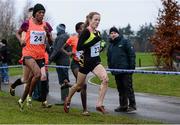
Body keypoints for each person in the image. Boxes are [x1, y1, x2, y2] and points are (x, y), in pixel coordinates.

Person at [64, 12, 109, 114]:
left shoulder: (98, 32)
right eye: (95, 20)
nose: (97, 22)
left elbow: (96, 47)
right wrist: (94, 41)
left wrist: (101, 46)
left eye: (99, 20)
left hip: (95, 61)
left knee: (105, 79)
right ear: (90, 20)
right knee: (78, 85)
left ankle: (99, 104)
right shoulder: (86, 32)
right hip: (85, 62)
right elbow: (79, 47)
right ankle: (68, 98)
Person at [16, 3, 53, 111]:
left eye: (43, 13)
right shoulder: (27, 23)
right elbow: (17, 33)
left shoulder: (46, 25)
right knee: (38, 74)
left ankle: (22, 100)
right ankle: (30, 97)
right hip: (28, 54)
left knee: (31, 78)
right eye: (39, 13)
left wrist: (49, 34)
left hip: (40, 56)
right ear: (35, 14)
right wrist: (21, 40)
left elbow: (51, 43)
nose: (41, 15)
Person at [61, 22, 89, 116]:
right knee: (83, 85)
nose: (84, 29)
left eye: (84, 28)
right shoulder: (73, 38)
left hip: (84, 64)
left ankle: (67, 85)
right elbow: (62, 48)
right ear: (77, 30)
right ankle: (85, 110)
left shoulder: (88, 38)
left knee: (79, 87)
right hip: (75, 64)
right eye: (82, 28)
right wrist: (69, 53)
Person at [107, 26, 136, 112]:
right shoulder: (111, 45)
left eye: (114, 33)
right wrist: (111, 68)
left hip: (126, 70)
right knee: (120, 89)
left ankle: (132, 105)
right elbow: (109, 58)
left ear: (118, 34)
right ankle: (123, 106)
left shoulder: (125, 42)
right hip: (116, 71)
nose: (113, 35)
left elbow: (131, 55)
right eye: (111, 33)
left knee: (128, 88)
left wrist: (131, 68)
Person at [10, 7, 34, 96]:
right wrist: (22, 40)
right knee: (25, 79)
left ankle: (29, 98)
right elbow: (22, 40)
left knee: (39, 76)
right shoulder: (26, 25)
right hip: (27, 54)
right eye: (31, 14)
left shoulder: (40, 26)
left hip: (37, 55)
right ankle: (13, 86)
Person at [49, 24, 71, 104]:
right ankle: (64, 100)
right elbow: (56, 46)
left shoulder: (62, 37)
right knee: (63, 80)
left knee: (64, 80)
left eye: (57, 29)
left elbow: (57, 49)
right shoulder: (64, 36)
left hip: (62, 61)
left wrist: (50, 59)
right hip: (62, 61)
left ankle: (65, 100)